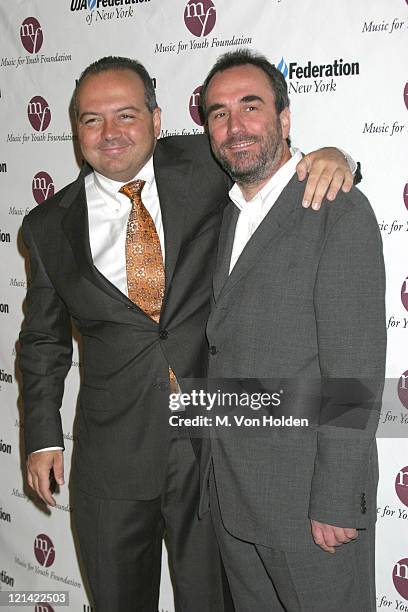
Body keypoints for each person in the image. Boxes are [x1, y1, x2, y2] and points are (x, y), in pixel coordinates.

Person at [19, 55, 357, 612]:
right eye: (91, 120)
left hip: (212, 452)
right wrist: (42, 435)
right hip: (112, 457)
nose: (110, 134)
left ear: (157, 119)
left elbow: (279, 161)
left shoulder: (208, 163)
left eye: (126, 115)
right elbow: (43, 341)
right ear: (75, 130)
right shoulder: (47, 226)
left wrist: (338, 157)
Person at [198, 49, 386, 612]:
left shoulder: (338, 210)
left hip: (309, 508)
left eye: (251, 107)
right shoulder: (222, 211)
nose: (235, 126)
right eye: (219, 113)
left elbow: (353, 371)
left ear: (285, 119)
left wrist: (336, 497)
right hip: (233, 499)